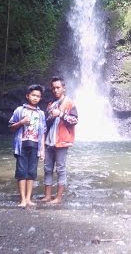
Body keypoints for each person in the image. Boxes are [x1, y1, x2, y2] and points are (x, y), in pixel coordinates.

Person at [41, 76, 78, 204]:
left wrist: (60, 114)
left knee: (61, 169)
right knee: (47, 169)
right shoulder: (50, 104)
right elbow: (46, 124)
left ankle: (58, 198)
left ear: (63, 88)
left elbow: (75, 121)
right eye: (53, 88)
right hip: (49, 141)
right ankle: (47, 196)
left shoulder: (69, 103)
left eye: (58, 87)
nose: (55, 90)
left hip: (62, 141)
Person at [8, 84, 46, 208]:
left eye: (38, 96)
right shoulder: (20, 110)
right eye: (33, 95)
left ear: (40, 98)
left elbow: (43, 132)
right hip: (22, 145)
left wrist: (42, 149)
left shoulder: (41, 114)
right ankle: (22, 199)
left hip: (35, 145)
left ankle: (29, 199)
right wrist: (21, 122)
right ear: (27, 96)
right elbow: (11, 127)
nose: (35, 98)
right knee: (21, 172)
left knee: (31, 173)